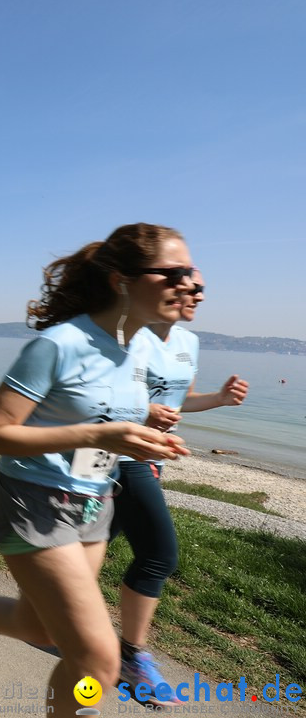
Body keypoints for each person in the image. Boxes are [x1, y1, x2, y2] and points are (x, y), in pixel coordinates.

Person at [0, 223, 192, 714]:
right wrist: (98, 435)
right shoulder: (61, 344)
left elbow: (105, 412)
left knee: (40, 627)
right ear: (122, 281)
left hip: (95, 499)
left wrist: (146, 430)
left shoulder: (141, 347)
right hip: (35, 499)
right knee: (98, 663)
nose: (188, 284)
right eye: (173, 273)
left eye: (191, 274)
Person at [111, 270, 248, 704]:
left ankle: (46, 605)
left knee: (91, 543)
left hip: (154, 457)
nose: (199, 296)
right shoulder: (128, 335)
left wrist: (219, 400)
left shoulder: (189, 343)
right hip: (123, 454)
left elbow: (179, 400)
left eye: (203, 289)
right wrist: (141, 411)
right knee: (159, 554)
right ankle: (129, 655)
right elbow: (103, 396)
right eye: (192, 285)